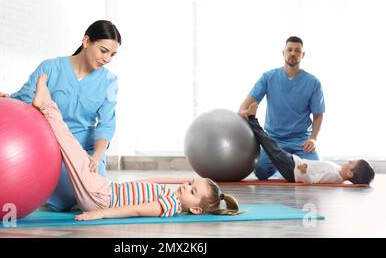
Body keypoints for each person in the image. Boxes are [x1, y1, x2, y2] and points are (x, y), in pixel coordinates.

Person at [32, 74, 242, 220]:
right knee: (74, 153)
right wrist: (184, 179)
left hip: (101, 198)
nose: (186, 186)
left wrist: (99, 214)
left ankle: (47, 106)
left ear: (195, 209)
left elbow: (136, 211)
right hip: (102, 191)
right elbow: (152, 180)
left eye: (192, 190)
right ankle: (47, 105)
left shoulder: (170, 206)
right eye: (189, 183)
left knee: (70, 147)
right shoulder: (169, 193)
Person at [0, 20, 121, 211]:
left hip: (86, 151)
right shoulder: (50, 68)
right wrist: (4, 99)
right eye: (103, 51)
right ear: (86, 41)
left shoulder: (109, 81)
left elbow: (107, 124)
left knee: (97, 198)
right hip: (52, 149)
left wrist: (96, 157)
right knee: (63, 200)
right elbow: (24, 98)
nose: (107, 59)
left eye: (112, 54)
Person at [238, 36, 325, 180]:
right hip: (274, 140)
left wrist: (313, 138)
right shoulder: (268, 77)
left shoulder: (313, 82)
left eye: (297, 50)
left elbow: (318, 115)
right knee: (260, 172)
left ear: (302, 55)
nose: (293, 53)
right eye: (289, 49)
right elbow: (249, 100)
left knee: (313, 171)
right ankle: (286, 166)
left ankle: (286, 165)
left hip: (301, 141)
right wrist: (242, 111)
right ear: (283, 52)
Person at [243, 102, 375, 185]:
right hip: (294, 164)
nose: (350, 160)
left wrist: (304, 173)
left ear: (350, 174)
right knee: (271, 146)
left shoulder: (334, 175)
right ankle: (252, 121)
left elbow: (315, 180)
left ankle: (252, 119)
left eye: (352, 163)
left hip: (294, 168)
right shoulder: (337, 172)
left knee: (270, 145)